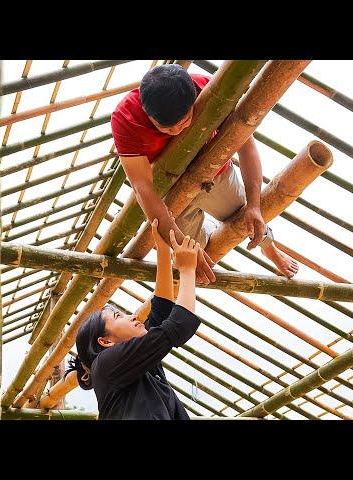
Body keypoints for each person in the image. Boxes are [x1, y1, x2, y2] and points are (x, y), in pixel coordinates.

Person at [111, 63, 299, 284]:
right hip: (172, 192)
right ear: (146, 111)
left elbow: (246, 145)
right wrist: (179, 244)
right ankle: (208, 227)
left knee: (250, 219)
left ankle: (269, 247)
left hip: (216, 173)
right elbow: (142, 188)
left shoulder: (208, 89)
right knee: (193, 259)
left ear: (194, 102)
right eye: (166, 128)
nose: (176, 132)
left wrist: (255, 204)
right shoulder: (125, 119)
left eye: (183, 122)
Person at [67, 218, 201, 419]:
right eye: (118, 316)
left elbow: (161, 310)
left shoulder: (137, 365)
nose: (132, 316)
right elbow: (177, 326)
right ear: (105, 341)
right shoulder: (105, 364)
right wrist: (187, 270)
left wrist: (163, 250)